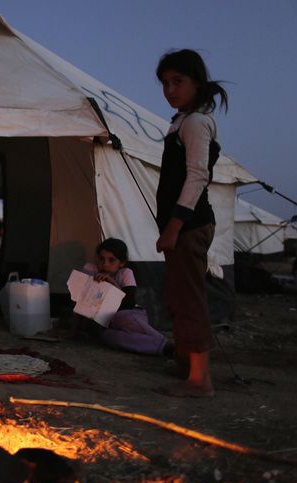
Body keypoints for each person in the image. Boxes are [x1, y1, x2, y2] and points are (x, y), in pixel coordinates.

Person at [154, 49, 229, 398]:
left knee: (189, 298)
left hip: (190, 225)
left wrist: (174, 226)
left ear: (196, 82)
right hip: (183, 225)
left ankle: (200, 380)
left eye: (178, 82)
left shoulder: (197, 122)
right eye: (165, 83)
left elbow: (198, 176)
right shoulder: (181, 121)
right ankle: (187, 364)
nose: (170, 89)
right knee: (178, 294)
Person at [76, 238, 170, 356]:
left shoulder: (125, 273)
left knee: (122, 316)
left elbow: (128, 304)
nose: (105, 264)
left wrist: (112, 283)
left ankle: (161, 341)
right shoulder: (91, 269)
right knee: (109, 336)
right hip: (106, 321)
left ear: (122, 263)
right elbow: (79, 301)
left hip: (130, 315)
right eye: (101, 259)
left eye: (112, 260)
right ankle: (164, 346)